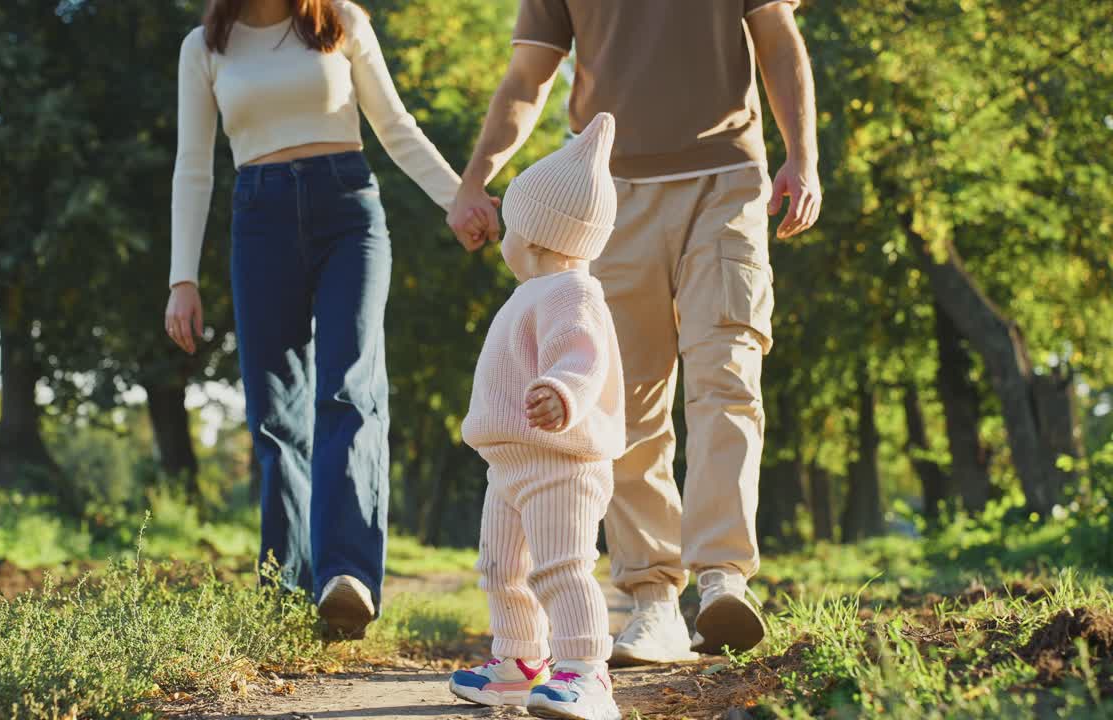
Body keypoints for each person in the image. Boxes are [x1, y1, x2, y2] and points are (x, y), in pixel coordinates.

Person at [449, 0, 821, 662]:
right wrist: (476, 178)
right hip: (611, 197)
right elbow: (528, 77)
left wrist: (803, 157)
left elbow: (778, 37)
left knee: (727, 372)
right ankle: (654, 599)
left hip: (727, 180)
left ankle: (722, 580)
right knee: (628, 400)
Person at [164, 0, 478, 639]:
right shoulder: (205, 47)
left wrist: (458, 199)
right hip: (259, 219)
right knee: (275, 414)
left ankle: (346, 578)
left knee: (349, 390)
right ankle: (284, 593)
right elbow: (194, 165)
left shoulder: (341, 23)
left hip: (349, 212)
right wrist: (182, 278)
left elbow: (395, 125)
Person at [449, 114, 626, 720]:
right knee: (502, 569)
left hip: (560, 462)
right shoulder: (529, 293)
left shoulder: (571, 292)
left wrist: (560, 392)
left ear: (531, 235)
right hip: (510, 463)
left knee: (561, 567)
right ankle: (522, 662)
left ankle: (586, 672)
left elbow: (584, 356)